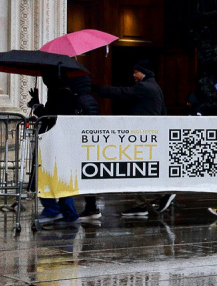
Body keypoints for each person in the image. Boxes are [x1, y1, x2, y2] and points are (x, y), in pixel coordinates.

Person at [95, 61, 173, 215]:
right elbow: (163, 111)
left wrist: (97, 89)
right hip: (149, 133)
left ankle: (162, 193)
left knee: (140, 167)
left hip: (143, 134)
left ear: (143, 72)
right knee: (140, 168)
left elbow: (122, 93)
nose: (133, 75)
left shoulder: (145, 87)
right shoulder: (155, 86)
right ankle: (141, 204)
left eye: (136, 72)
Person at [35, 71, 81, 225]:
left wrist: (38, 107)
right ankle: (66, 212)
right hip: (56, 142)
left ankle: (55, 210)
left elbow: (53, 117)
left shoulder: (63, 96)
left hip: (55, 142)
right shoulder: (62, 94)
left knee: (49, 174)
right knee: (58, 176)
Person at [69, 76, 102, 220]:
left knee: (86, 175)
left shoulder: (81, 100)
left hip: (85, 143)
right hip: (89, 143)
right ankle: (91, 207)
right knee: (87, 175)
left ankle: (91, 207)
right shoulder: (89, 98)